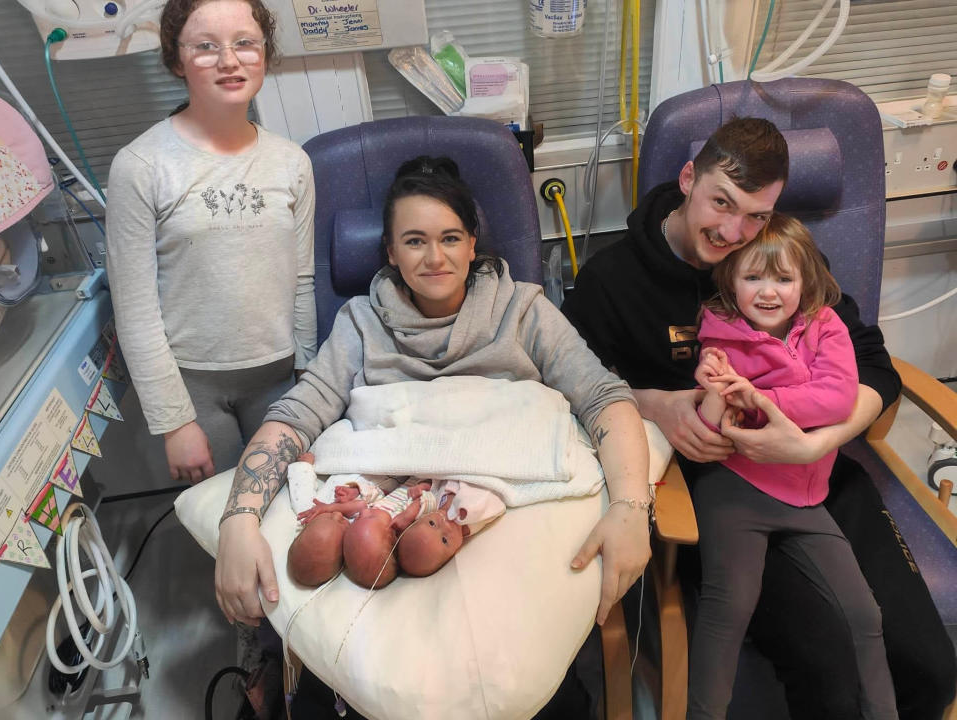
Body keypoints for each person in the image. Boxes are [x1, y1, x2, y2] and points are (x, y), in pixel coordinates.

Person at [215, 155, 653, 717]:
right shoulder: (360, 322)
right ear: (391, 253)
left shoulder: (522, 310)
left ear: (473, 244)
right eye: (415, 241)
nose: (436, 256)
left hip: (497, 506)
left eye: (450, 238)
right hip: (387, 512)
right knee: (361, 674)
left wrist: (631, 508)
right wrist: (239, 519)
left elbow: (603, 397)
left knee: (515, 674)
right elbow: (297, 416)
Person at [562, 116, 956, 718]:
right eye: (721, 202)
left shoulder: (776, 255)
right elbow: (570, 392)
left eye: (756, 214)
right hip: (719, 493)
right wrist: (658, 406)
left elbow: (873, 363)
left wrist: (815, 440)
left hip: (822, 465)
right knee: (830, 668)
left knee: (929, 666)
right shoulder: (612, 282)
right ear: (688, 178)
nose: (732, 232)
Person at [688, 215, 897, 718]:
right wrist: (713, 391)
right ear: (729, 279)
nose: (767, 292)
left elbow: (837, 398)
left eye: (783, 278)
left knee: (864, 614)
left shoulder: (826, 324)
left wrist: (760, 398)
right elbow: (713, 421)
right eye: (752, 277)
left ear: (805, 281)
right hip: (734, 488)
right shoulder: (720, 336)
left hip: (805, 494)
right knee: (730, 605)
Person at [106, 0, 318, 485]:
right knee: (223, 517)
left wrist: (309, 378)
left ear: (264, 52)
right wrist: (173, 421)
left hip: (281, 378)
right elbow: (134, 308)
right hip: (195, 388)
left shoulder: (292, 163)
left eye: (245, 42)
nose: (229, 60)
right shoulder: (141, 166)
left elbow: (302, 279)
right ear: (177, 60)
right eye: (206, 47)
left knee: (296, 506)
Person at [288, 478, 438, 588]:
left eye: (359, 517)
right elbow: (432, 501)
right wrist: (419, 496)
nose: (365, 511)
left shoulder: (364, 524)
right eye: (369, 515)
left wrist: (350, 495)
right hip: (424, 480)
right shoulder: (401, 522)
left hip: (399, 478)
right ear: (393, 534)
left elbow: (372, 498)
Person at [397, 479, 505, 577]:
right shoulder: (468, 523)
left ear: (423, 517)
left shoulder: (435, 505)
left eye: (432, 523)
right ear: (453, 552)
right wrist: (468, 510)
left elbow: (434, 486)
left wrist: (423, 486)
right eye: (444, 540)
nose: (446, 526)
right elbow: (493, 504)